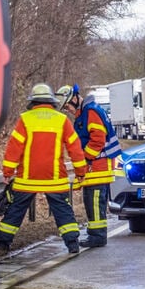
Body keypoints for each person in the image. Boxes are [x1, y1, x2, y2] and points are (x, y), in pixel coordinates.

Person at [0, 84, 88, 254]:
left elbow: (14, 148)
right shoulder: (62, 120)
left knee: (16, 210)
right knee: (62, 210)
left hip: (27, 178)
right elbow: (75, 148)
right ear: (52, 101)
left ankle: (2, 243)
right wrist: (80, 172)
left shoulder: (25, 119)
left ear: (33, 101)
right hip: (55, 178)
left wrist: (7, 172)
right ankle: (72, 243)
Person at [58, 84, 115, 248]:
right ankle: (95, 234)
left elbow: (98, 140)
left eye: (67, 106)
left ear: (75, 99)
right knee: (92, 202)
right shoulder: (86, 112)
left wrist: (84, 158)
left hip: (97, 167)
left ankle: (98, 236)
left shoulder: (91, 112)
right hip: (96, 167)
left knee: (95, 204)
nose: (68, 110)